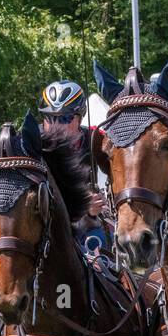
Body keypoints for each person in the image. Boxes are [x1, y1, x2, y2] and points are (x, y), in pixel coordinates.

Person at [38, 79, 108, 251]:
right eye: (49, 117)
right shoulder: (32, 143)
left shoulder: (96, 139)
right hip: (44, 222)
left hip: (87, 226)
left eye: (65, 118)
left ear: (80, 117)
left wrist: (102, 202)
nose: (56, 125)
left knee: (106, 245)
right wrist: (84, 206)